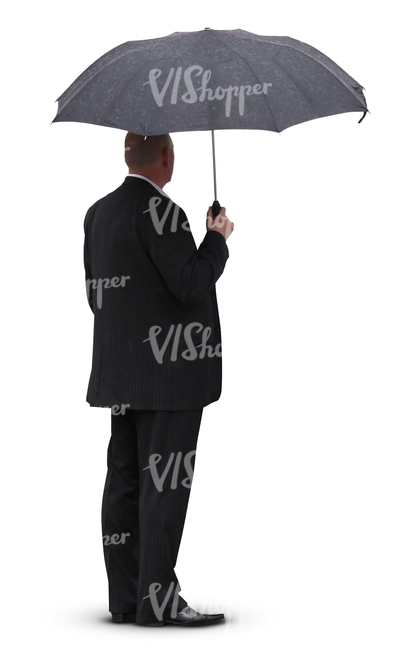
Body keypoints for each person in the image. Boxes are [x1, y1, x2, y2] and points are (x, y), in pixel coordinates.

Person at [83, 132, 234, 627]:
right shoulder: (165, 215)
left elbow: (98, 295)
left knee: (125, 481)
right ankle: (159, 601)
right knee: (164, 486)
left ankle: (127, 598)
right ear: (166, 157)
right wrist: (216, 238)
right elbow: (189, 283)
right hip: (170, 378)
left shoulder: (97, 213)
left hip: (120, 374)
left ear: (127, 155)